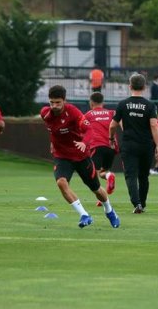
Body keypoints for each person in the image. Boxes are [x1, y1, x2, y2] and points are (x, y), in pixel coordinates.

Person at [41, 85, 119, 228]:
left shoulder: (73, 112)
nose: (54, 106)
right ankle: (84, 215)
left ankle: (109, 210)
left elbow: (89, 129)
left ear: (64, 100)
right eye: (52, 102)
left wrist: (84, 143)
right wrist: (53, 142)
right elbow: (53, 129)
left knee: (96, 189)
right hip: (62, 156)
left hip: (81, 156)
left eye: (58, 102)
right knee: (61, 183)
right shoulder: (45, 113)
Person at [109, 73, 158, 214]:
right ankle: (142, 204)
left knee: (130, 175)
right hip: (146, 145)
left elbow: (112, 125)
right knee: (143, 176)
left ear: (130, 86)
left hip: (129, 145)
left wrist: (111, 138)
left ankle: (136, 203)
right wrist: (157, 146)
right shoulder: (150, 105)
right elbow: (154, 126)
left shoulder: (122, 104)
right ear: (144, 87)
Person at [83, 92, 118, 199]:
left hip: (97, 146)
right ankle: (109, 176)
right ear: (103, 103)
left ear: (91, 103)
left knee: (93, 174)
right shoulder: (112, 113)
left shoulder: (88, 115)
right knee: (103, 172)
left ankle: (101, 197)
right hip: (111, 147)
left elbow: (81, 129)